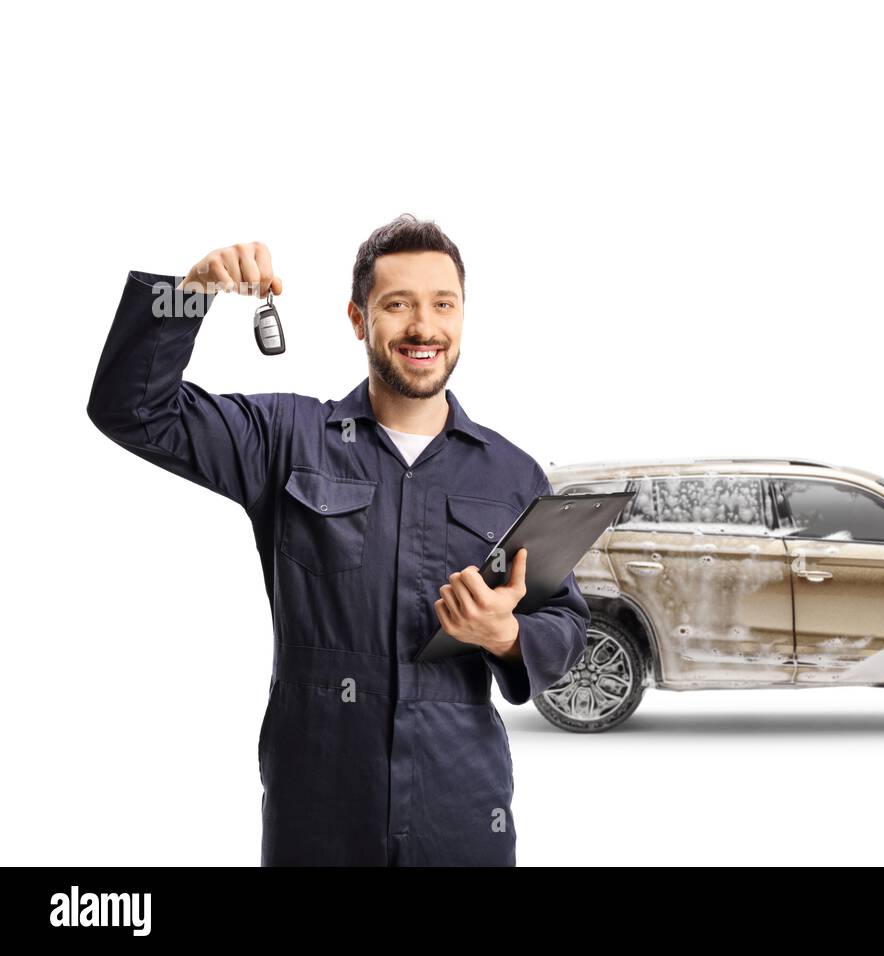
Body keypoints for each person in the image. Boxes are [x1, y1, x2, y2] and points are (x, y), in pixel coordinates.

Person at [86, 214, 591, 864]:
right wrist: (190, 294)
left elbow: (567, 630)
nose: (423, 326)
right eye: (396, 304)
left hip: (462, 810)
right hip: (317, 808)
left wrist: (507, 636)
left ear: (462, 317)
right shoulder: (284, 439)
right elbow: (133, 410)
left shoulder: (512, 473)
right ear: (358, 318)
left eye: (443, 304)